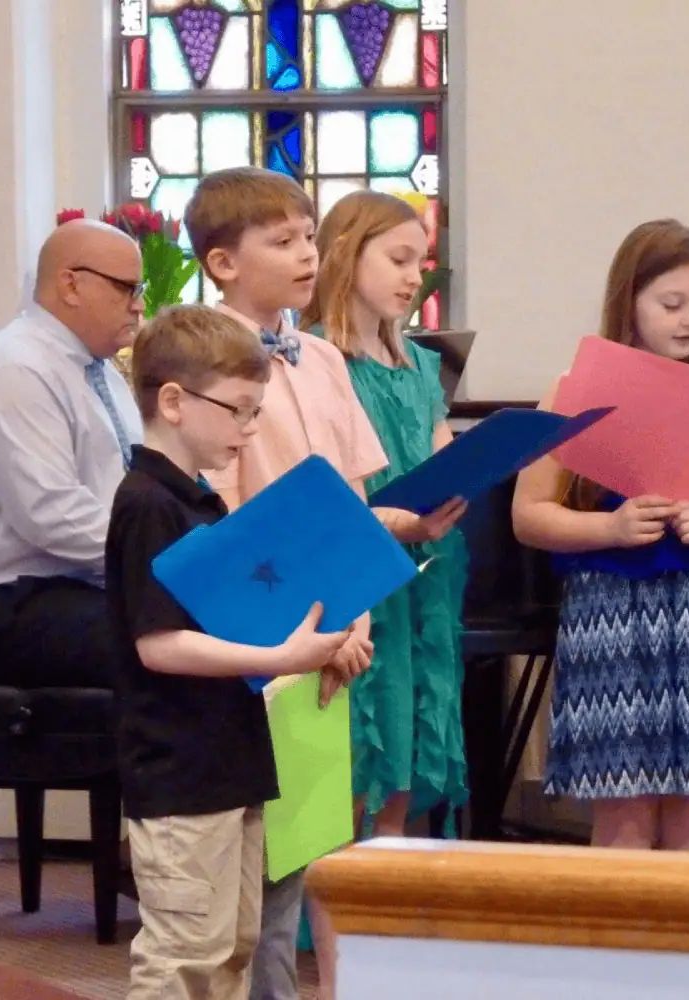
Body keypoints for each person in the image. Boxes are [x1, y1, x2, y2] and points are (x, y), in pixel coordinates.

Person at [183, 167, 461, 1000]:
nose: (307, 253)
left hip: (331, 621)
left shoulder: (319, 360)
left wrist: (357, 609)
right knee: (244, 861)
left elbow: (351, 499)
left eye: (309, 236)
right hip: (252, 622)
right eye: (284, 241)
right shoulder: (194, 356)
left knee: (304, 846)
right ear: (224, 263)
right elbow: (212, 501)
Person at [512, 219, 689, 852]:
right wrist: (610, 525)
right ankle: (619, 953)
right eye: (671, 303)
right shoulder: (576, 389)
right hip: (613, 611)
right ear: (629, 301)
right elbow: (529, 514)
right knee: (624, 812)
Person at [107, 303, 355, 1000]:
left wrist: (313, 640)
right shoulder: (148, 503)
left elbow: (232, 618)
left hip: (230, 758)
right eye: (242, 411)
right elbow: (159, 645)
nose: (251, 430)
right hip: (179, 767)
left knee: (232, 946)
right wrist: (282, 658)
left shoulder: (202, 501)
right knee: (185, 951)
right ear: (175, 402)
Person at [301, 190, 468, 837]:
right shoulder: (316, 358)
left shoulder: (421, 364)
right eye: (398, 258)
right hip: (355, 573)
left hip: (419, 577)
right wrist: (400, 520)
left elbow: (436, 450)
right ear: (345, 254)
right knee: (353, 763)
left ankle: (384, 918)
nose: (412, 277)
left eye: (420, 262)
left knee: (403, 754)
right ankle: (330, 927)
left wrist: (460, 478)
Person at [0, 219, 144, 688]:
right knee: (170, 650)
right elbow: (49, 513)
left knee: (205, 636)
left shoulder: (99, 371)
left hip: (82, 585)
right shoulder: (16, 366)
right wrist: (155, 555)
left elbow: (128, 487)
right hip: (11, 601)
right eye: (127, 289)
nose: (139, 305)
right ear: (71, 284)